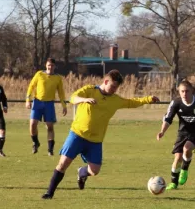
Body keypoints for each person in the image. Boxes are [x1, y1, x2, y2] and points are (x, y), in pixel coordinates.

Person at [41, 69, 159, 199]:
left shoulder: (115, 100)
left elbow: (131, 102)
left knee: (94, 170)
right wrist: (84, 100)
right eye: (113, 86)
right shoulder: (90, 90)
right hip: (77, 135)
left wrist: (148, 99)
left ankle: (82, 172)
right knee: (63, 164)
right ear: (106, 81)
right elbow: (72, 98)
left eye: (116, 88)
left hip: (95, 141)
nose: (114, 90)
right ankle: (49, 193)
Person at [25, 58, 67, 156]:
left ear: (55, 66)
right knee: (32, 124)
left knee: (49, 126)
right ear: (46, 65)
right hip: (37, 102)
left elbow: (61, 93)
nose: (50, 67)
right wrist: (28, 100)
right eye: (49, 65)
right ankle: (35, 143)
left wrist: (64, 105)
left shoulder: (57, 78)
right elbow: (31, 86)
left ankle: (50, 149)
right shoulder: (39, 74)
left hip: (49, 104)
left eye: (52, 65)